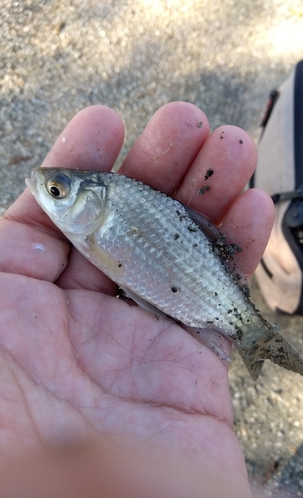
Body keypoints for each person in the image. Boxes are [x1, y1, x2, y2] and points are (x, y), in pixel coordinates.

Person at [0, 103, 276, 496]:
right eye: (57, 191)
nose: (48, 194)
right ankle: (252, 334)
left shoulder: (105, 213)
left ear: (91, 202)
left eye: (56, 192)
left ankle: (252, 334)